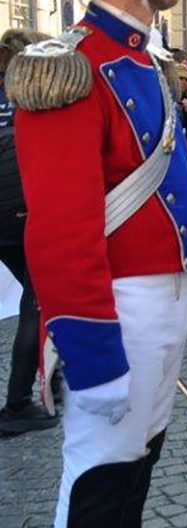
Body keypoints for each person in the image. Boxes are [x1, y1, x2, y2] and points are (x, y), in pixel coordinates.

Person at [1, 0, 187, 524]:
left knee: (137, 469)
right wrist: (91, 355)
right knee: (99, 479)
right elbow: (62, 234)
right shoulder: (71, 67)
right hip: (120, 307)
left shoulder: (142, 57)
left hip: (165, 300)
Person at [0, 28, 56, 437]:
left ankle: (54, 369)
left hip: (5, 215)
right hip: (21, 210)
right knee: (38, 300)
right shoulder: (30, 96)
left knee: (38, 297)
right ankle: (18, 402)